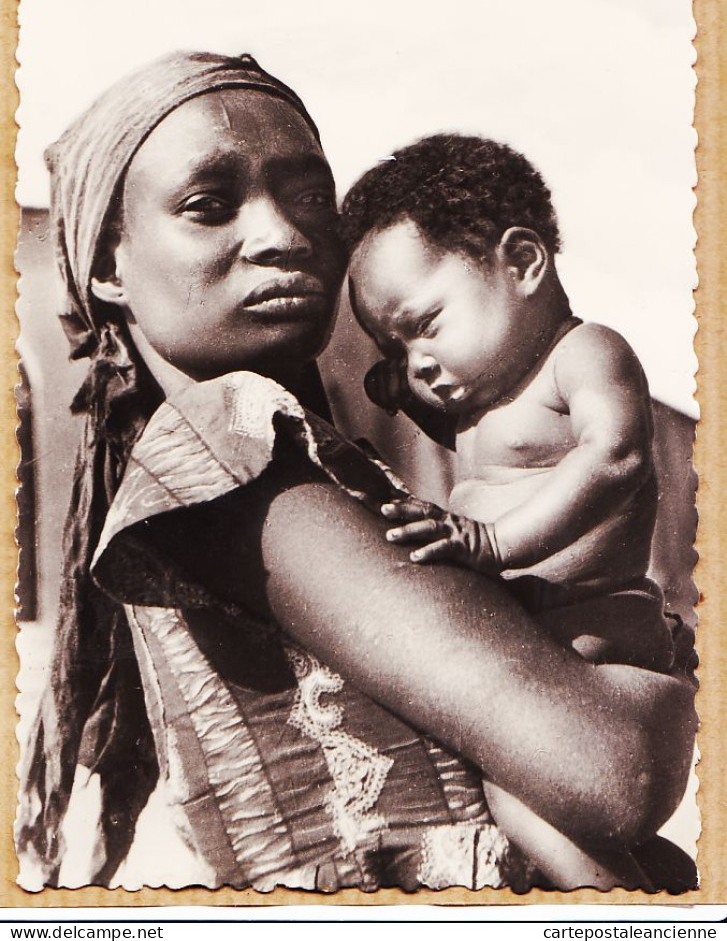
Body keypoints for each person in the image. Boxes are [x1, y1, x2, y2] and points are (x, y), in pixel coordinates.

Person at [16, 53, 696, 894]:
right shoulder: (227, 446)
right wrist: (650, 682)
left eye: (309, 199)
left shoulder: (314, 450)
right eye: (208, 205)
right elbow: (612, 773)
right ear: (109, 269)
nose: (284, 235)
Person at [341, 133, 684, 885]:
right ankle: (652, 882)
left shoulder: (583, 354)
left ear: (524, 262)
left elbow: (616, 455)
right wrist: (392, 380)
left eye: (425, 324)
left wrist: (493, 543)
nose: (416, 363)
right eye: (394, 349)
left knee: (515, 795)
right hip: (550, 668)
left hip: (609, 661)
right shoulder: (472, 409)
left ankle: (617, 918)